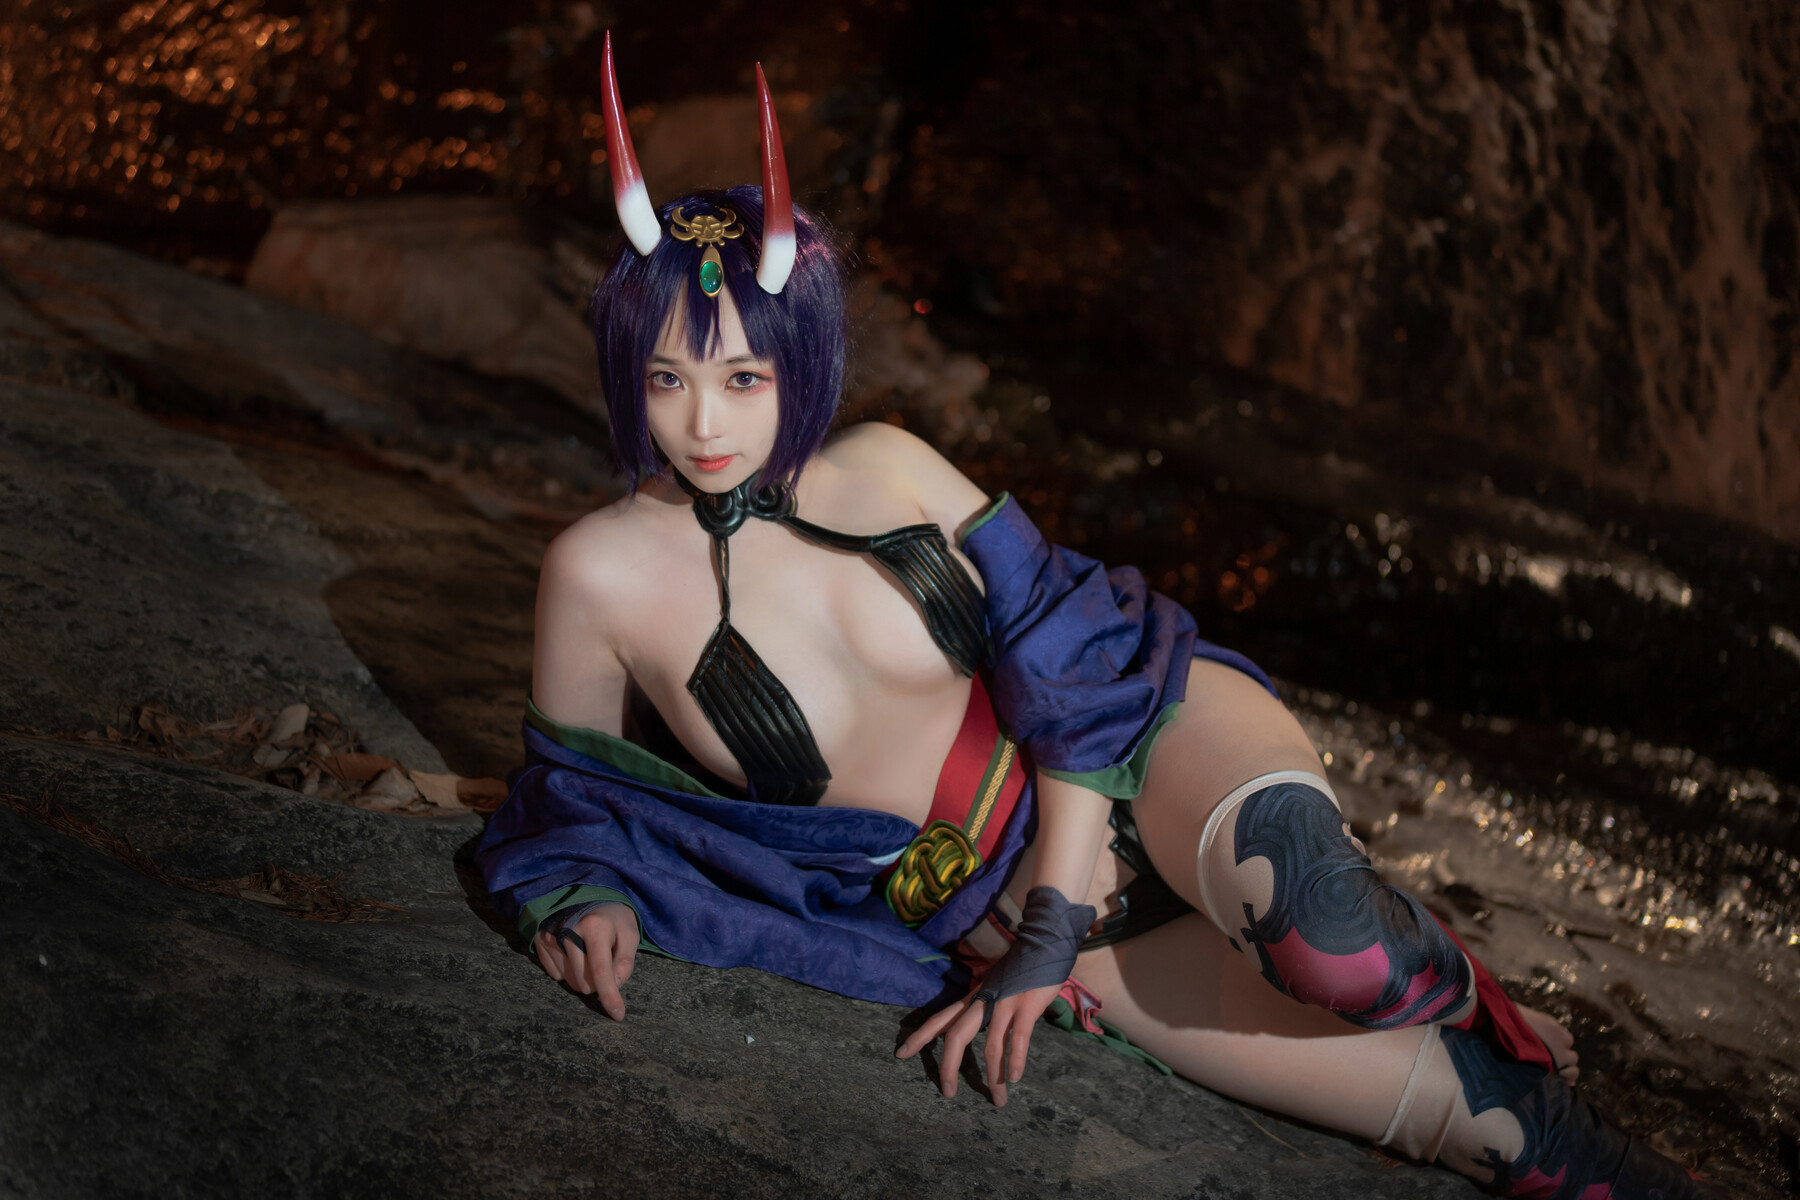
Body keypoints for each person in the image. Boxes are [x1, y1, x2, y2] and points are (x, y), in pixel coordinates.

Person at [476, 36, 1727, 1199]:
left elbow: (1069, 658)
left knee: (1342, 950)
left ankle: (1446, 987)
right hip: (1000, 908)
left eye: (744, 376)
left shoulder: (888, 465)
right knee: (1505, 1140)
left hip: (1144, 748)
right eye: (669, 377)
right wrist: (584, 896)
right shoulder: (595, 573)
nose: (704, 423)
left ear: (796, 363)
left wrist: (1053, 921)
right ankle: (1476, 1040)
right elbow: (576, 790)